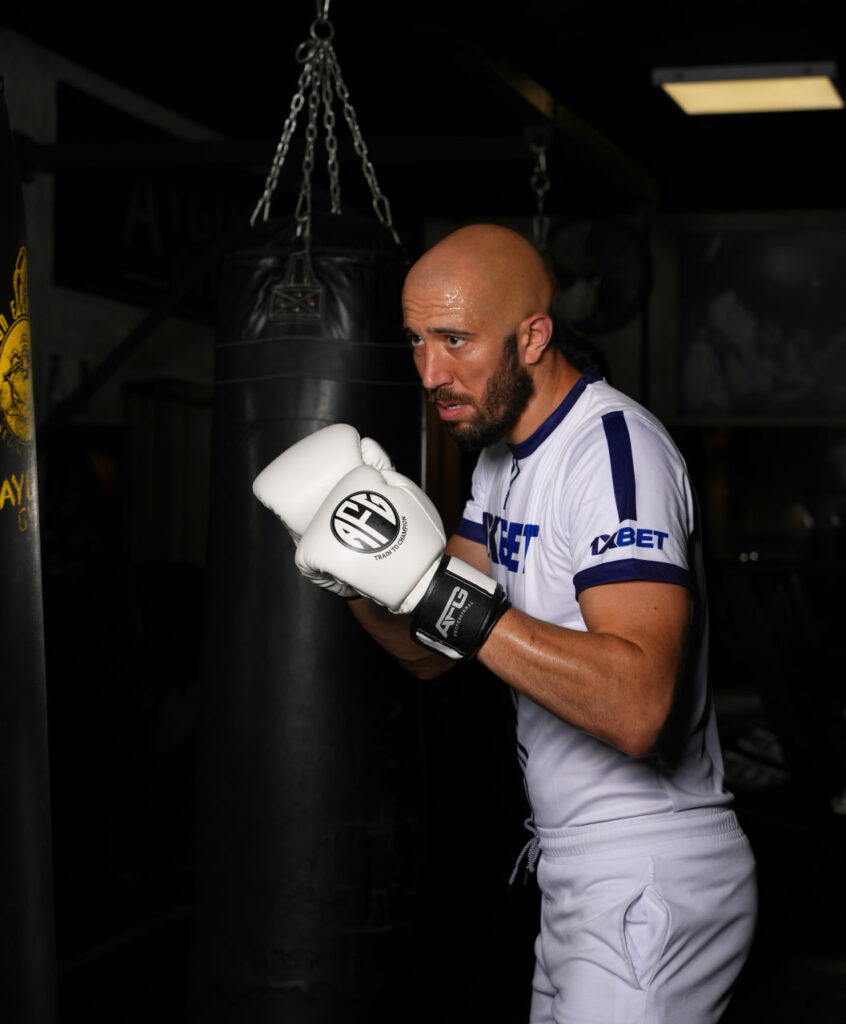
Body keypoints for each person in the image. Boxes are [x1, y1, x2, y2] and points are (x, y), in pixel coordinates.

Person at [254, 223, 757, 1023]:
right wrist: (348, 575)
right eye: (416, 341)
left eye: (455, 340)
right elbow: (433, 650)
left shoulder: (613, 456)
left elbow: (638, 706)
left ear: (533, 337)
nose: (430, 373)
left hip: (648, 868)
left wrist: (435, 590)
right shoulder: (501, 462)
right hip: (573, 867)